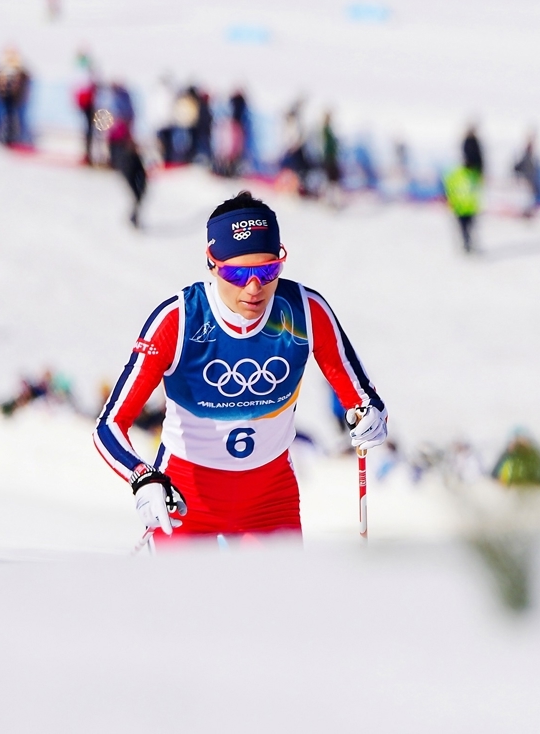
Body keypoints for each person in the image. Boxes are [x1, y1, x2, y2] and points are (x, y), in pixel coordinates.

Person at [94, 191, 389, 543]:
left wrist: (371, 418)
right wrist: (142, 477)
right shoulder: (180, 320)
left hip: (270, 500)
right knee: (178, 599)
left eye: (268, 270)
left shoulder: (305, 312)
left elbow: (362, 399)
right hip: (188, 498)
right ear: (212, 263)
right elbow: (110, 424)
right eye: (236, 273)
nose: (254, 287)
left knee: (282, 599)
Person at [444, 163, 482, 253]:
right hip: (464, 208)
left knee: (467, 228)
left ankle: (468, 244)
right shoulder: (471, 175)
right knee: (467, 228)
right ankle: (468, 244)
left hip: (465, 208)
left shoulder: (462, 175)